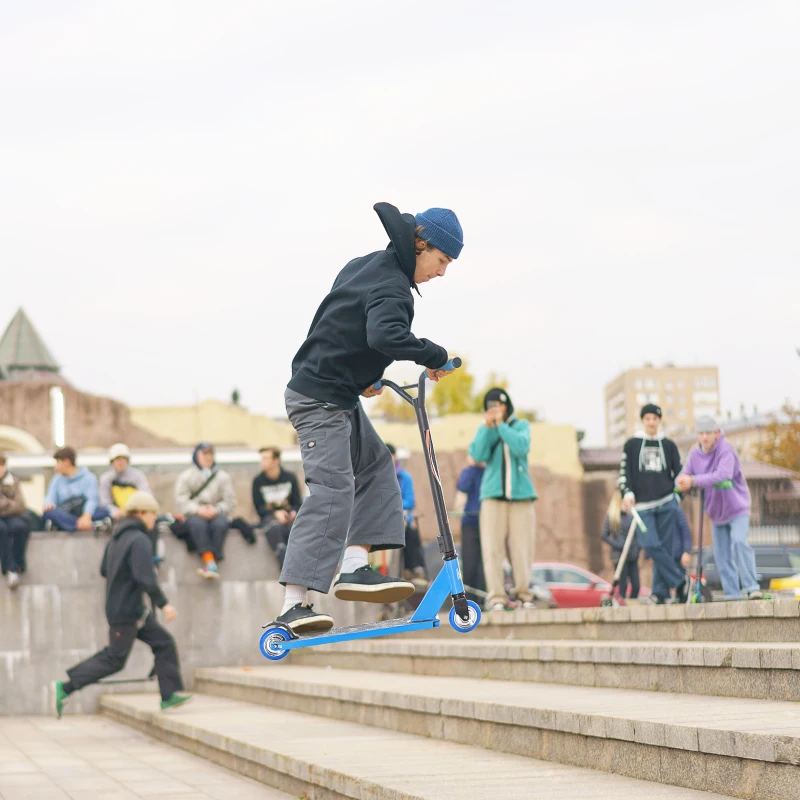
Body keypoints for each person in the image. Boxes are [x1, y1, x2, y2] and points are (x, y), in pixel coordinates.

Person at [275, 202, 463, 633]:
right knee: (332, 488)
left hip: (336, 393)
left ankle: (356, 564)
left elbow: (343, 323)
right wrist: (433, 354)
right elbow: (384, 334)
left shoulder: (366, 266)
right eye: (442, 260)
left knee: (377, 465)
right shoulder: (392, 286)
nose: (442, 272)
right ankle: (293, 602)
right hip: (319, 400)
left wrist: (365, 375)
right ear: (422, 244)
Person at [53, 492, 190, 718]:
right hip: (126, 612)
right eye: (151, 514)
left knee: (163, 643)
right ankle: (66, 687)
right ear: (140, 513)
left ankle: (170, 694)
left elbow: (104, 570)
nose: (154, 519)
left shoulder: (117, 537)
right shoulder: (139, 540)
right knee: (115, 659)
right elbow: (145, 577)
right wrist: (164, 604)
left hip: (130, 608)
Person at [677, 415, 762, 600]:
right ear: (697, 435)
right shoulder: (694, 454)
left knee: (739, 542)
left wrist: (694, 480)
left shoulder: (725, 449)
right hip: (716, 512)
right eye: (701, 434)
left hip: (737, 508)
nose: (705, 438)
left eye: (708, 433)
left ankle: (751, 587)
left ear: (716, 433)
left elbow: (723, 475)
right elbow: (687, 471)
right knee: (721, 554)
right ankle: (732, 594)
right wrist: (683, 479)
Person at [469, 388, 537, 612]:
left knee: (522, 547)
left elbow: (521, 446)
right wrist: (489, 429)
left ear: (506, 406)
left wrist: (501, 426)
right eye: (490, 407)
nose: (494, 410)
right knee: (492, 548)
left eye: (498, 406)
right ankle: (496, 597)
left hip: (521, 496)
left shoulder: (520, 426)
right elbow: (477, 455)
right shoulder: (485, 429)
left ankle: (524, 594)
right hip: (492, 497)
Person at [619, 404, 688, 604]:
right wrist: (627, 492)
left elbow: (680, 473)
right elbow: (624, 472)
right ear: (642, 420)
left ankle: (660, 593)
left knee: (664, 549)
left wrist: (677, 497)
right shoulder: (631, 444)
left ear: (659, 421)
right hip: (642, 507)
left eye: (654, 419)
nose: (651, 422)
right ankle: (680, 582)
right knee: (650, 544)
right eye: (647, 418)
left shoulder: (668, 445)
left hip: (667, 503)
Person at [175, 442, 236, 580]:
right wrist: (198, 509)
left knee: (220, 525)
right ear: (196, 456)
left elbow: (230, 500)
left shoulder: (223, 477)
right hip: (195, 514)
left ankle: (212, 560)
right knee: (197, 525)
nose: (208, 457)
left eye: (210, 454)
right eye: (204, 454)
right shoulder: (186, 476)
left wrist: (217, 509)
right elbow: (181, 499)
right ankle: (209, 560)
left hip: (217, 513)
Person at [252, 446, 303, 568]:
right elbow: (259, 509)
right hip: (270, 519)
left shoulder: (290, 477)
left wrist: (293, 512)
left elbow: (297, 503)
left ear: (276, 460)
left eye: (265, 458)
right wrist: (275, 513)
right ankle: (285, 564)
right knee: (275, 528)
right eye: (261, 458)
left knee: (296, 529)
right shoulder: (258, 481)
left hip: (289, 518)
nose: (262, 462)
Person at [42, 447, 113, 533]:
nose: (56, 467)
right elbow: (50, 497)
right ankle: (81, 525)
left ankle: (71, 525)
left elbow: (92, 499)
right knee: (49, 513)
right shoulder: (57, 480)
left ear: (67, 462)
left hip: (84, 512)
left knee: (104, 512)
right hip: (65, 513)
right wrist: (49, 504)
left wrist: (87, 516)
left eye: (58, 462)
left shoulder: (89, 478)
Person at [386, 443, 426, 583]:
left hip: (400, 518)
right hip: (384, 520)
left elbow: (410, 501)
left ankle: (414, 568)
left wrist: (392, 506)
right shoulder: (378, 478)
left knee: (410, 531)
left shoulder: (405, 478)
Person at [454, 456, 486, 605]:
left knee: (484, 564)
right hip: (470, 522)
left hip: (487, 522)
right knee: (469, 563)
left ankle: (483, 599)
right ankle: (470, 600)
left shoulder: (490, 471)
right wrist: (472, 468)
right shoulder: (469, 472)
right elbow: (463, 486)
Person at [601, 492, 641, 601]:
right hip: (620, 556)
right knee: (623, 585)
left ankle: (632, 604)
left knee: (636, 585)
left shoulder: (633, 516)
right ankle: (622, 604)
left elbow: (638, 535)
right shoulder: (613, 516)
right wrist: (619, 545)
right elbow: (604, 535)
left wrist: (637, 548)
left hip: (632, 555)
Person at [0, 453, 30, 591]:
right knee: (2, 530)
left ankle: (19, 565)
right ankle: (10, 569)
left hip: (10, 517)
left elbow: (20, 505)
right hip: (4, 519)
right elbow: (13, 504)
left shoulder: (13, 480)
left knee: (21, 527)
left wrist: (4, 505)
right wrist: (8, 503)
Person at [99, 443, 153, 520]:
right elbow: (105, 503)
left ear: (127, 460)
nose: (120, 462)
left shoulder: (138, 476)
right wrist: (117, 512)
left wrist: (133, 511)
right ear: (112, 461)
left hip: (137, 514)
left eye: (123, 458)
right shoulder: (106, 479)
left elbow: (147, 496)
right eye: (117, 459)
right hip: (116, 517)